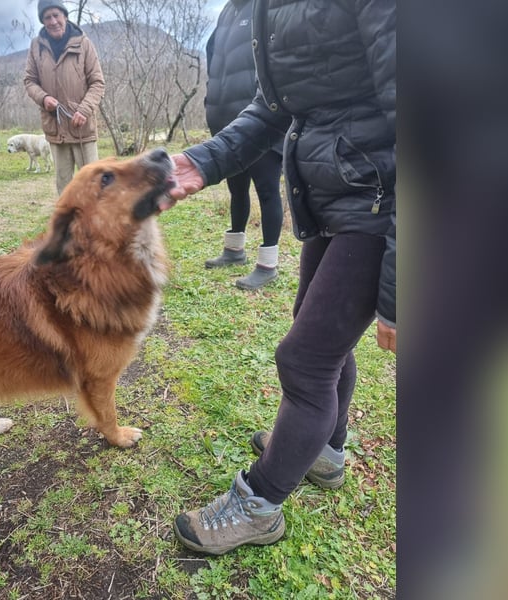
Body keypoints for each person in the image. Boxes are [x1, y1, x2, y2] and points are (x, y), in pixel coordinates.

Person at [168, 0, 396, 555]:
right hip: (336, 186)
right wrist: (205, 161)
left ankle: (259, 505)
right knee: (321, 339)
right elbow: (275, 107)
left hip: (381, 199)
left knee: (306, 358)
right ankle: (327, 452)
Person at [203, 0, 283, 290]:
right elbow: (215, 60)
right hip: (226, 123)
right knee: (236, 189)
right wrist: (209, 100)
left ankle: (268, 263)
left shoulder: (265, 6)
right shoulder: (226, 12)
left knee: (267, 191)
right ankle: (234, 250)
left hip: (261, 121)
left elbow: (280, 57)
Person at [24, 0, 105, 196]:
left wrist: (84, 110)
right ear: (42, 21)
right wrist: (43, 98)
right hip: (55, 128)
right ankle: (68, 225)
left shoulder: (83, 43)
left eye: (56, 15)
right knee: (64, 187)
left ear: (65, 16)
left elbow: (97, 83)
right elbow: (29, 81)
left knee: (92, 185)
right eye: (47, 17)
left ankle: (95, 225)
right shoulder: (36, 46)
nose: (52, 21)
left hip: (81, 128)